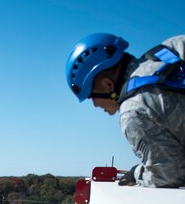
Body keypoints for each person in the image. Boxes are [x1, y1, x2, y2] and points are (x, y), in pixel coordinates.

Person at [66, 33, 185, 188]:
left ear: (107, 84)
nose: (95, 105)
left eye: (91, 97)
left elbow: (167, 175)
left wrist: (136, 173)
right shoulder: (172, 47)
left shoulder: (133, 112)